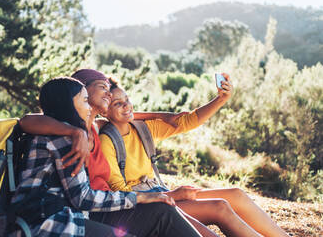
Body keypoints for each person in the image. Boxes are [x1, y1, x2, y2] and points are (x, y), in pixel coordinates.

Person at [16, 75, 210, 236]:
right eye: (84, 100)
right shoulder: (66, 138)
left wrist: (164, 116)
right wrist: (141, 198)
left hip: (70, 215)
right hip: (50, 222)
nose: (90, 107)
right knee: (160, 215)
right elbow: (82, 198)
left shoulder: (84, 130)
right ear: (68, 103)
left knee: (163, 212)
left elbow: (121, 114)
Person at [99, 75, 290, 237]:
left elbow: (188, 121)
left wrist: (221, 99)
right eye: (118, 103)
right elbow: (122, 194)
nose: (126, 106)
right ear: (104, 109)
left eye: (127, 99)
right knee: (220, 207)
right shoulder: (107, 141)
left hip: (160, 192)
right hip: (147, 206)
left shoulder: (143, 128)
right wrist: (173, 194)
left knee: (236, 195)